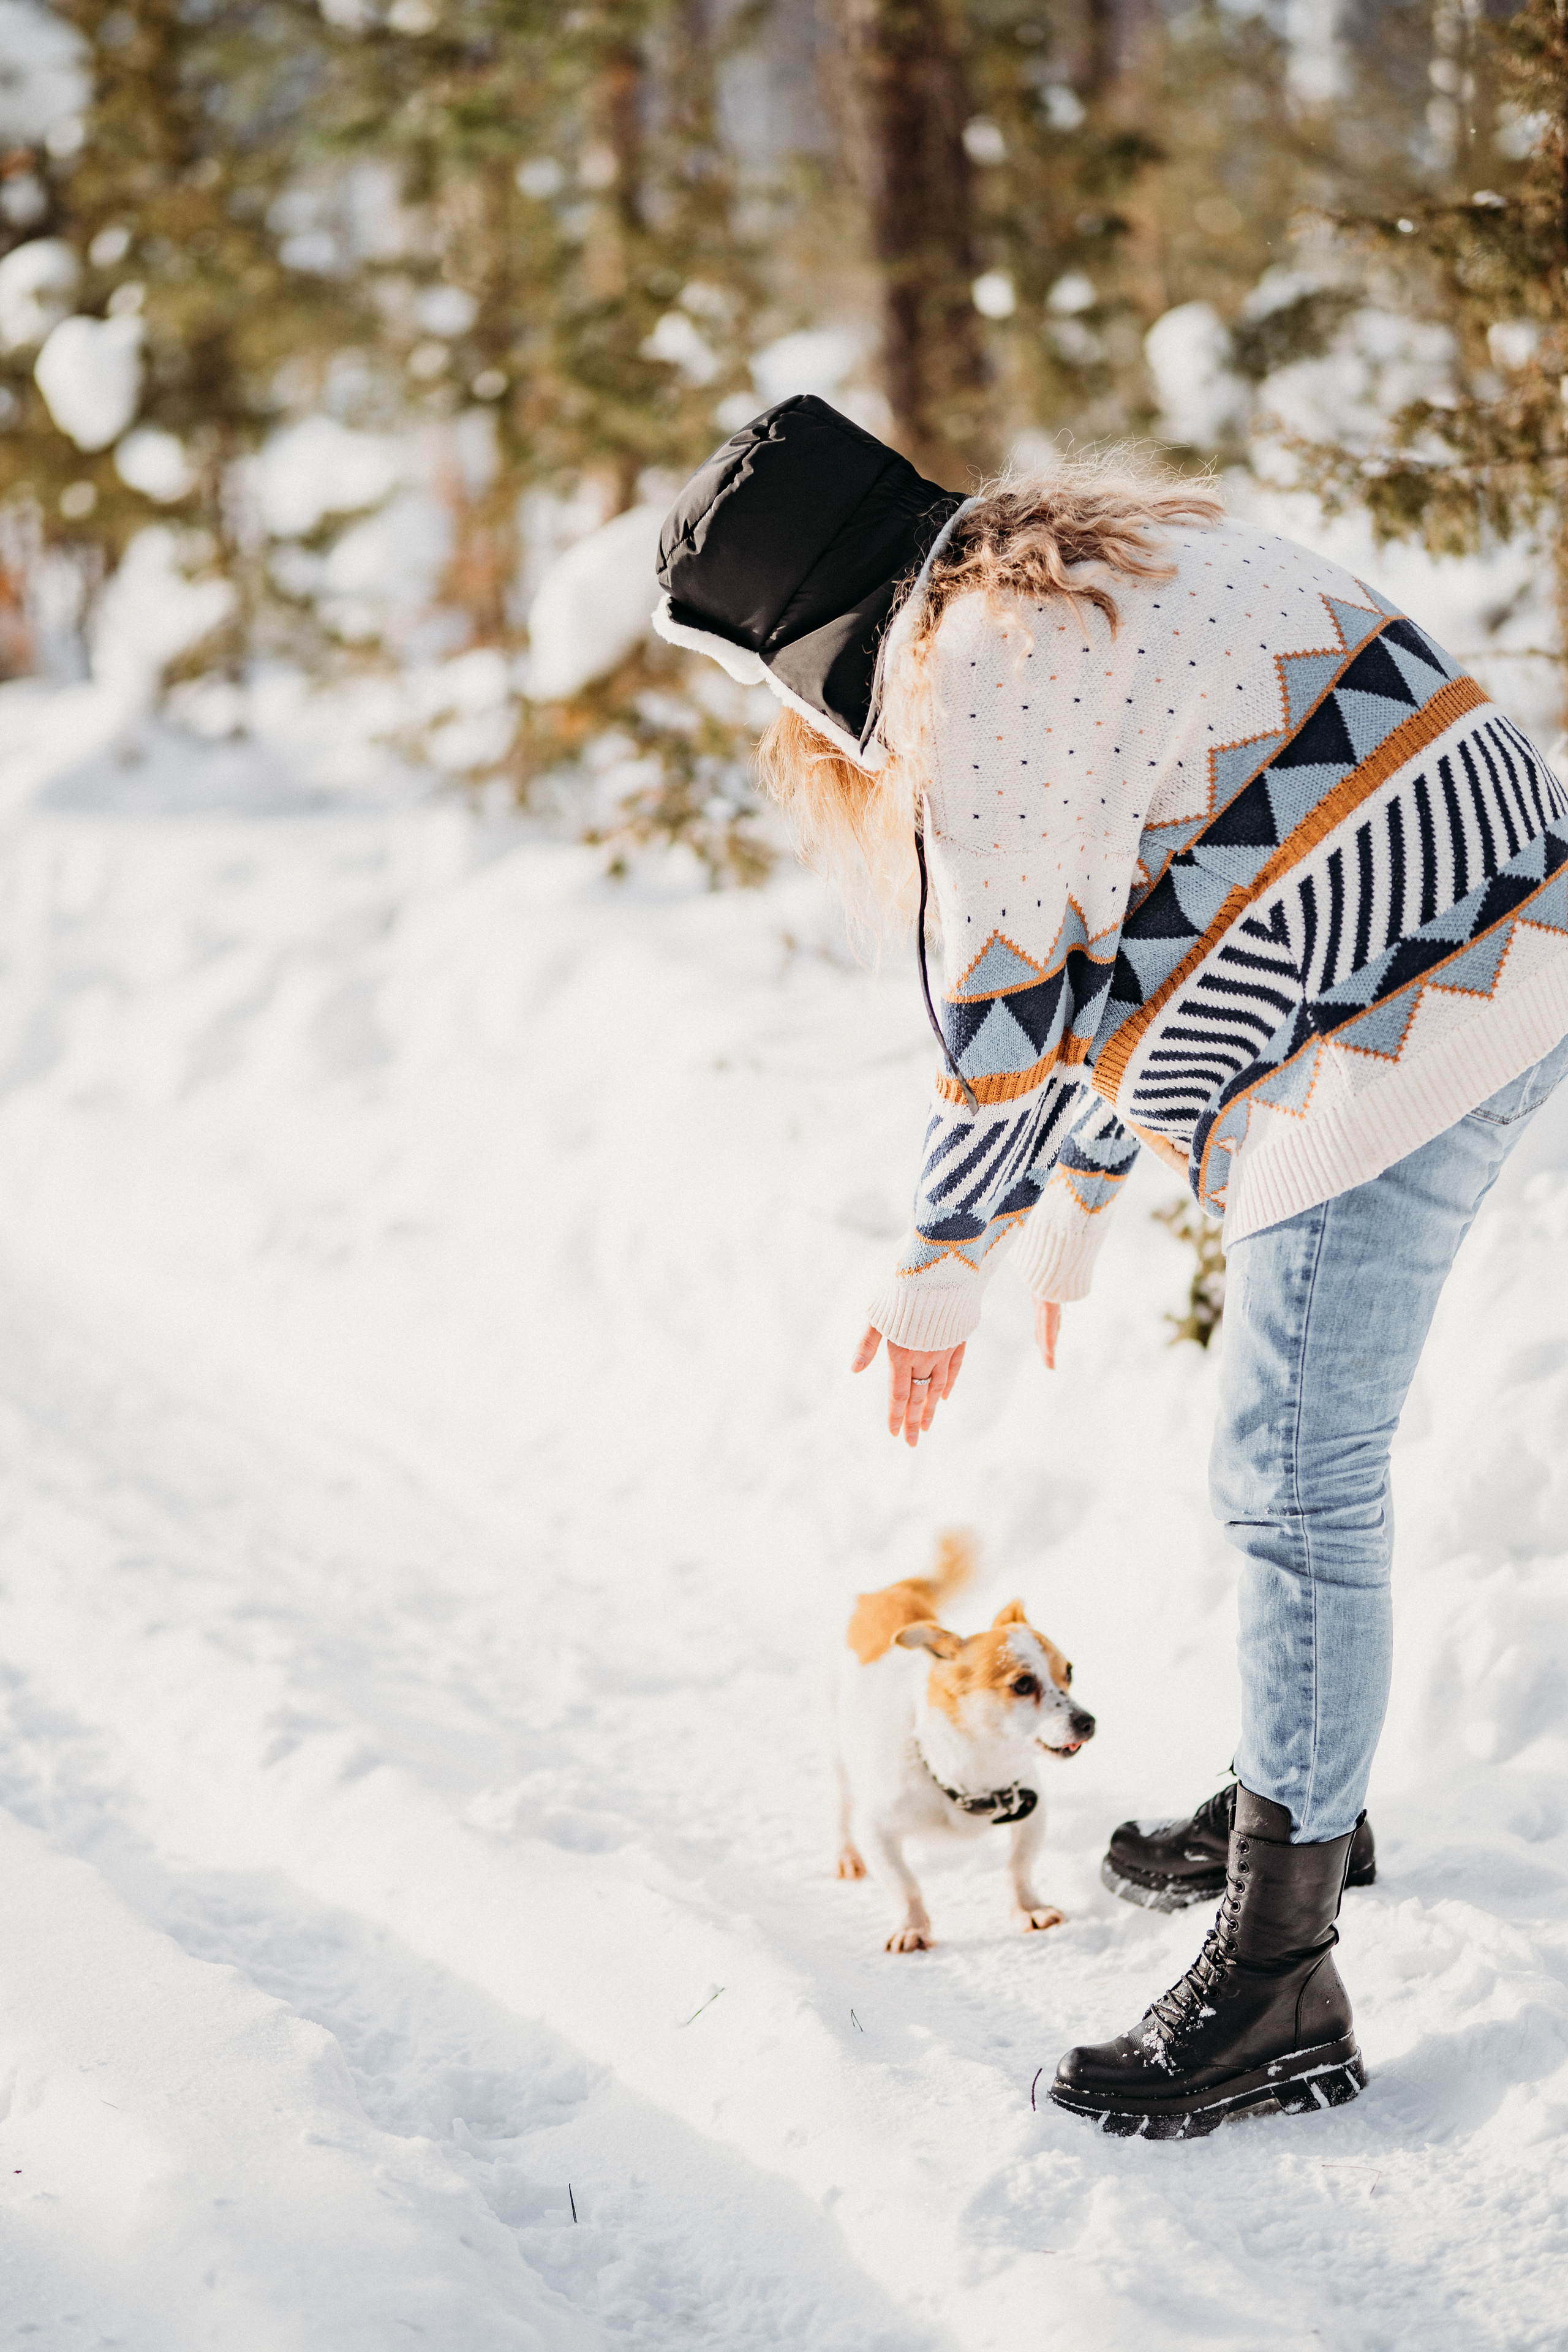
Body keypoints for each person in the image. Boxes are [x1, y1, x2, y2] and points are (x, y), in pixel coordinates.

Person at [652, 394, 1568, 2139]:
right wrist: (1071, 1208)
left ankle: (1284, 1978)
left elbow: (1004, 1005)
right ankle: (1312, 1800)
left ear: (816, 650)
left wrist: (943, 1262)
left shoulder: (967, 664)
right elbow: (1148, 918)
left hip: (1403, 1020)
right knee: (1300, 1468)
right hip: (1503, 921)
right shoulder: (1087, 569)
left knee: (1294, 1479)